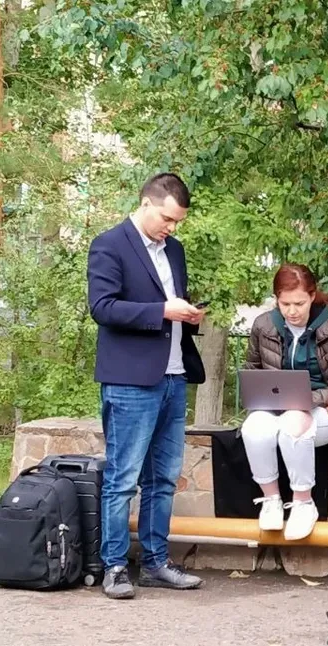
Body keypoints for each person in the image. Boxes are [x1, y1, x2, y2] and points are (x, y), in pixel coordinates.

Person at [87, 172, 206, 600]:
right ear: (145, 204)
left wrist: (187, 315)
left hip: (173, 376)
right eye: (167, 219)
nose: (171, 228)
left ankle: (157, 563)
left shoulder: (175, 250)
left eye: (177, 222)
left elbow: (171, 308)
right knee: (123, 479)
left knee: (164, 479)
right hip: (129, 382)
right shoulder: (109, 245)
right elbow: (102, 308)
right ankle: (116, 567)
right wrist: (162, 311)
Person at [241, 263, 328, 540]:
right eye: (285, 304)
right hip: (274, 407)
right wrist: (259, 395)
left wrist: (311, 399)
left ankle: (303, 503)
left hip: (323, 410)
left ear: (312, 296)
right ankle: (271, 500)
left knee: (293, 423)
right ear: (276, 299)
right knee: (253, 428)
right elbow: (251, 371)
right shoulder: (263, 324)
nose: (292, 311)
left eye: (299, 303)